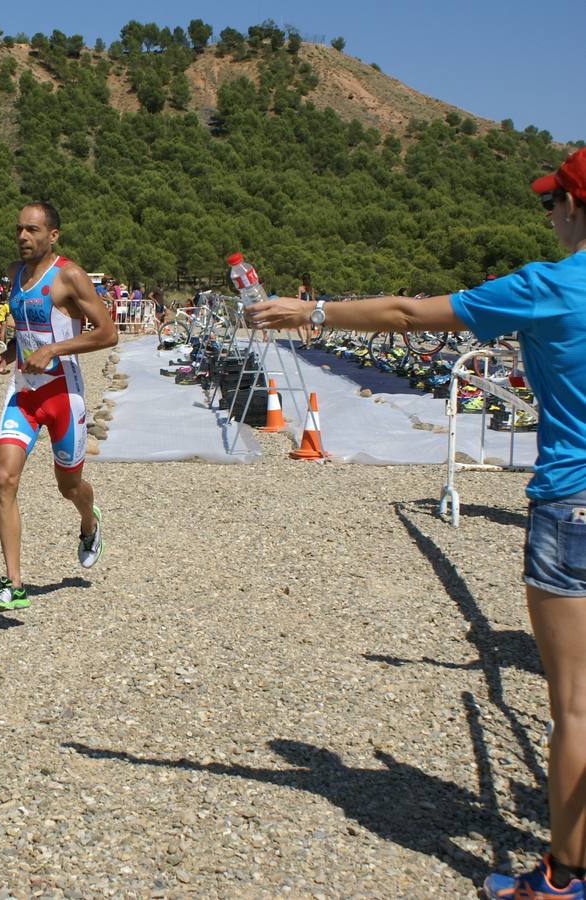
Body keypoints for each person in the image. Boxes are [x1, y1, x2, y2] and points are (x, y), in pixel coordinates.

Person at [248, 147, 586, 900]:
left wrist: (312, 311)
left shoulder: (552, 286)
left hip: (575, 504)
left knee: (574, 704)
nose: (550, 214)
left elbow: (409, 313)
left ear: (573, 207)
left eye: (552, 201)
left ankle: (562, 879)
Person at [0, 202, 118, 612]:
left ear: (53, 235)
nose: (24, 237)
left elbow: (108, 333)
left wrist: (54, 349)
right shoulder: (13, 273)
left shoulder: (70, 276)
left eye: (32, 230)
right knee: (4, 479)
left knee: (69, 487)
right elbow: (26, 330)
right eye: (19, 230)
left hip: (64, 395)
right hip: (24, 392)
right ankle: (14, 584)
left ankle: (89, 520)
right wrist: (12, 351)